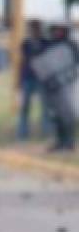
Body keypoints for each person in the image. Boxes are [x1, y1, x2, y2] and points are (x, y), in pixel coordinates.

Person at [36, 23, 79, 152]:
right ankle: (60, 141)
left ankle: (68, 142)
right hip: (52, 85)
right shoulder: (49, 45)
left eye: (60, 29)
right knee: (55, 115)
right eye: (55, 30)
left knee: (67, 114)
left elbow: (74, 65)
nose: (57, 32)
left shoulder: (71, 46)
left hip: (66, 85)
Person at [17, 20, 49, 141]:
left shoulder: (45, 43)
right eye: (33, 28)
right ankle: (22, 132)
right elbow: (24, 61)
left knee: (45, 107)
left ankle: (46, 131)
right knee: (25, 106)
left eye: (36, 28)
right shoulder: (26, 44)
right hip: (29, 77)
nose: (35, 31)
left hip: (41, 78)